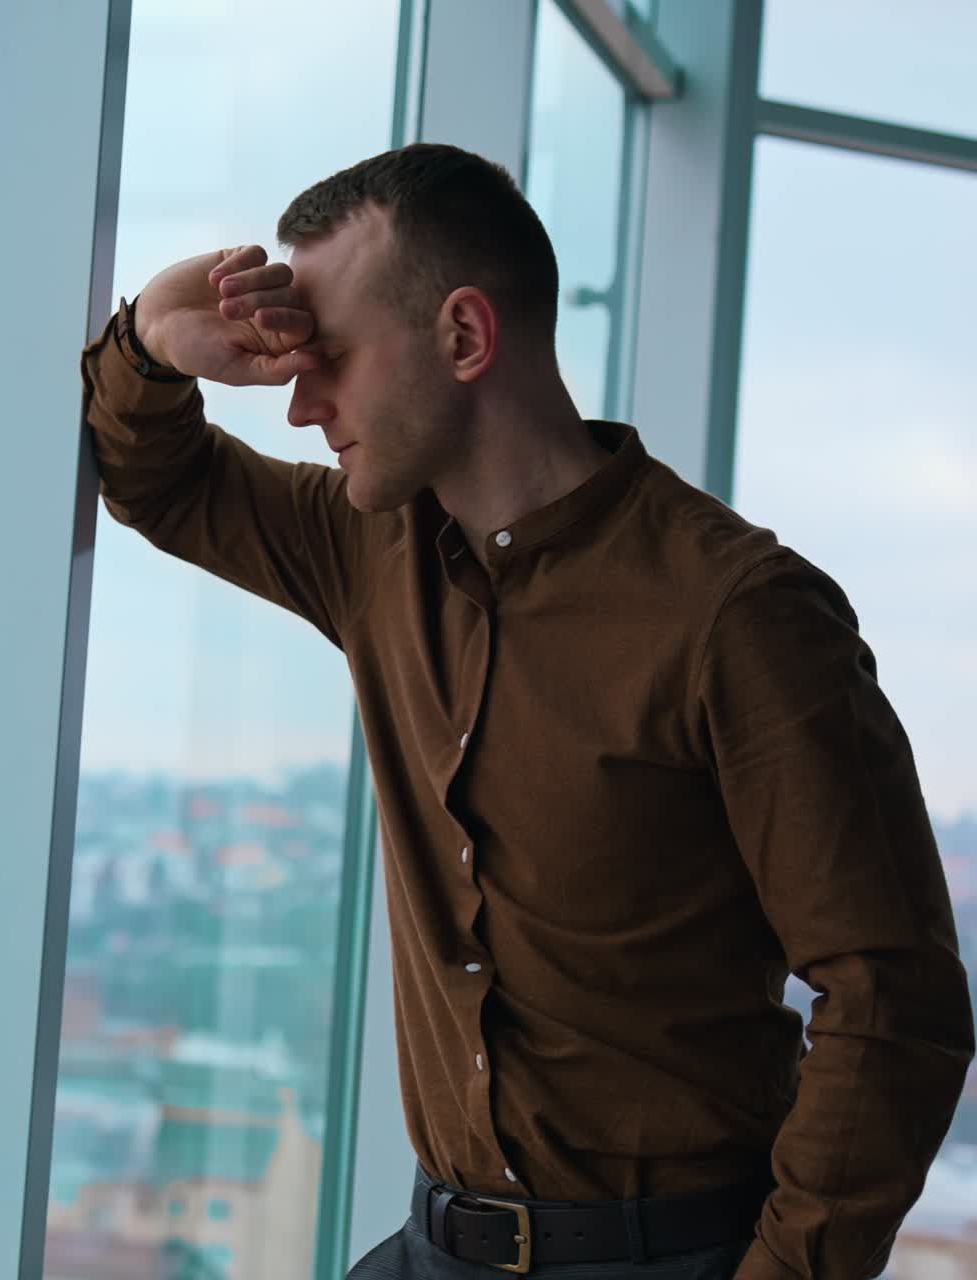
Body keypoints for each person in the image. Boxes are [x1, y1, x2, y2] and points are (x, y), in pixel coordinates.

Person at [79, 142, 974, 1280]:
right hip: (433, 1246)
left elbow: (890, 993)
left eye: (331, 359)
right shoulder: (368, 547)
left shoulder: (738, 615)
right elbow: (158, 475)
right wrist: (155, 333)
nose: (301, 404)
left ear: (462, 336)